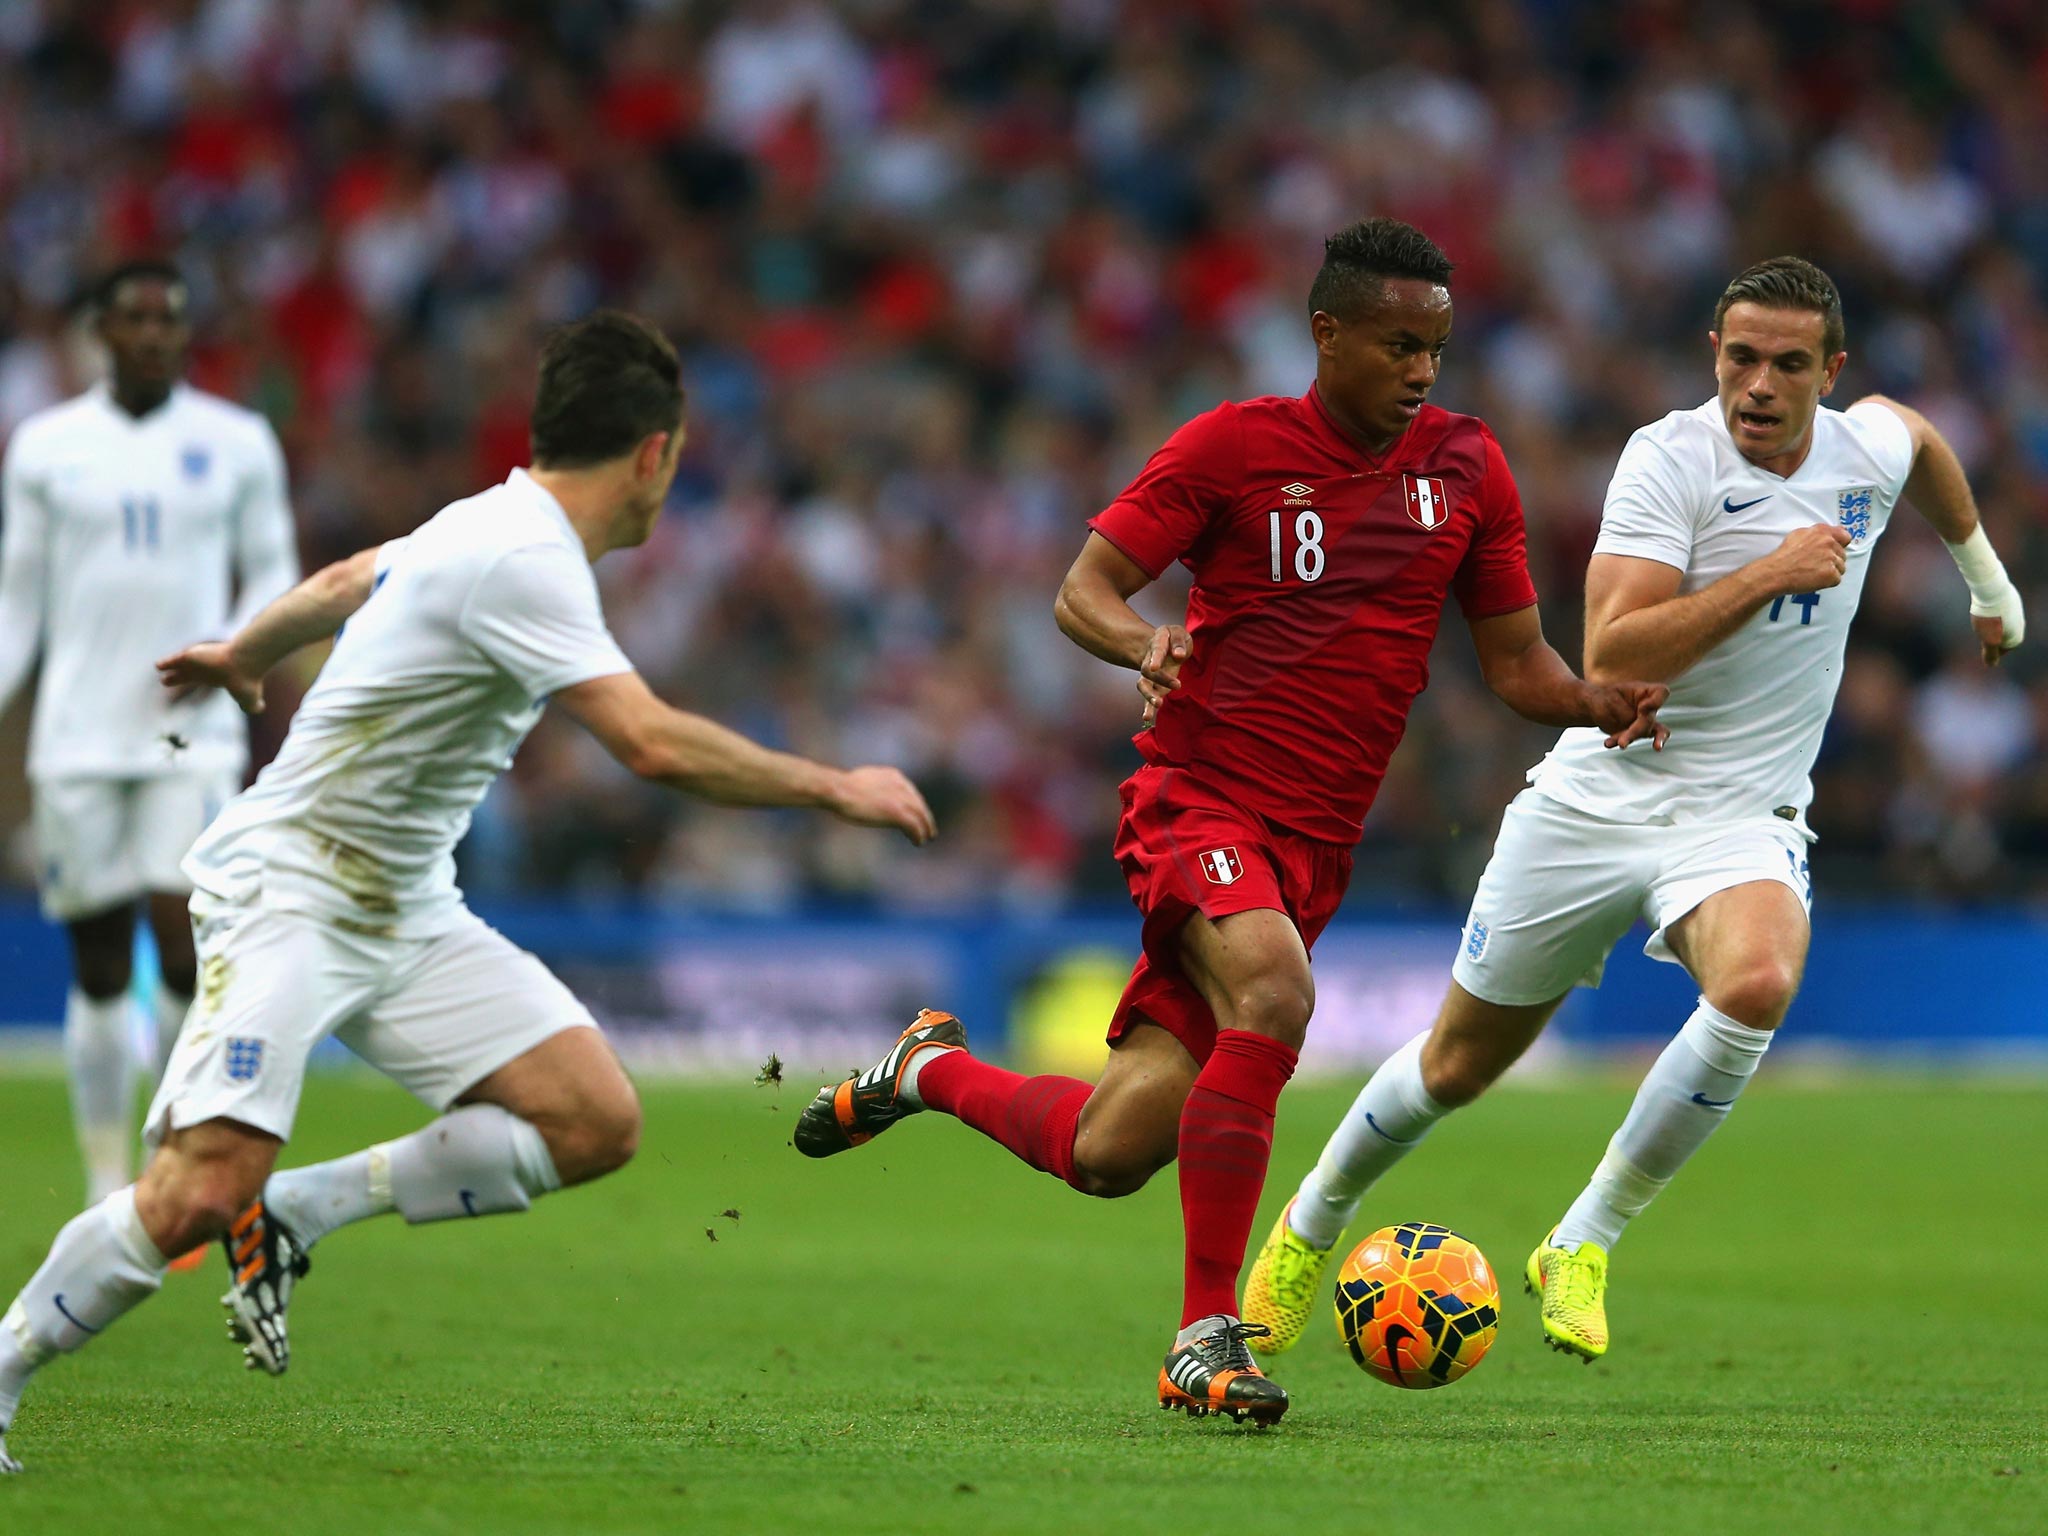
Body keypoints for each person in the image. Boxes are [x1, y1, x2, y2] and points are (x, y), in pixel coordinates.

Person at [0, 310, 936, 1474]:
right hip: (291, 889)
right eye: (677, 460)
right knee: (196, 1188)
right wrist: (834, 787)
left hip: (402, 904)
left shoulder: (483, 518)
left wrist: (247, 653)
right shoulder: (526, 557)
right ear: (653, 454)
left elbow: (347, 579)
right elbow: (645, 742)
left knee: (592, 1119)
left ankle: (299, 1211)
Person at [792, 218, 1668, 1425]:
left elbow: (1514, 664)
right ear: (1328, 332)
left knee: (1108, 1154)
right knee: (1275, 994)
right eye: (1398, 343)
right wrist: (1139, 641)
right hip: (1197, 801)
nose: (1422, 368)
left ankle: (927, 1071)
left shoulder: (1468, 467)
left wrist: (1589, 700)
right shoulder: (1235, 447)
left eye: (1437, 346)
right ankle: (1206, 1338)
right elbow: (1080, 592)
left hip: (1314, 848)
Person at [1243, 255, 2026, 1366]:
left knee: (1756, 981)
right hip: (1602, 794)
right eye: (1739, 358)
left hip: (1741, 814)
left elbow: (1929, 451)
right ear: (1713, 352)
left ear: (1829, 372)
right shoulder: (1668, 460)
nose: (1756, 385)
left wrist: (1986, 586)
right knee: (1458, 1066)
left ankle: (1582, 1238)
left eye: (1787, 366)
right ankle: (1306, 1224)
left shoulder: (1869, 447)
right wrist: (1769, 571)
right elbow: (1610, 647)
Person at [0, 259, 299, 1207]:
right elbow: (18, 601)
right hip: (78, 734)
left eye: (171, 318)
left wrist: (230, 651)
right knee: (94, 967)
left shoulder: (238, 442)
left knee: (181, 945)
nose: (157, 334)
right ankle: (101, 1182)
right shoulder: (47, 446)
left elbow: (273, 571)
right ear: (103, 331)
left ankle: (166, 1163)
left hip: (191, 734)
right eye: (136, 318)